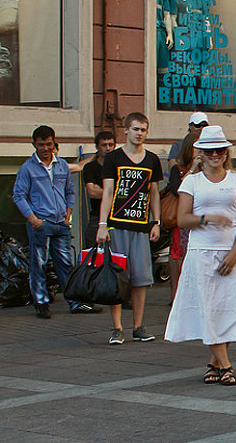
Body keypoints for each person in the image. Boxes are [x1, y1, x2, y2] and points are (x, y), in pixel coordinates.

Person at [165, 126, 236, 386]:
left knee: (226, 310)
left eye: (220, 150)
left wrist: (235, 252)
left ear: (226, 152)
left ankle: (213, 364)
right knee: (207, 310)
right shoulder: (192, 182)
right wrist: (207, 218)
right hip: (201, 254)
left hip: (229, 253)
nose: (215, 154)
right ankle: (225, 365)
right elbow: (182, 218)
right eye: (210, 150)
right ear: (201, 153)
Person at [97, 112, 164, 345]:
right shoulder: (113, 158)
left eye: (144, 129)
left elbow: (154, 192)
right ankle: (117, 328)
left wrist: (157, 221)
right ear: (126, 130)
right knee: (118, 278)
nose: (139, 133)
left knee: (141, 278)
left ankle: (138, 326)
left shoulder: (152, 159)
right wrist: (102, 225)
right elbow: (107, 192)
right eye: (136, 129)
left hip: (141, 227)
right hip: (117, 225)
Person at [13, 126, 93, 319]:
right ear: (34, 145)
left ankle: (75, 302)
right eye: (41, 144)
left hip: (61, 223)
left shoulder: (62, 165)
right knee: (39, 263)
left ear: (54, 143)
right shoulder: (27, 168)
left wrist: (68, 214)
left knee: (65, 263)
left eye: (49, 144)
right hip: (41, 222)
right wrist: (33, 220)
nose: (46, 148)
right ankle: (41, 302)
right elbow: (19, 195)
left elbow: (70, 191)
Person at [165, 130, 199, 303]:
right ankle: (176, 296)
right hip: (182, 220)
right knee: (178, 255)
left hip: (200, 222)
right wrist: (192, 169)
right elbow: (178, 189)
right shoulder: (178, 169)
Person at [82, 131, 116, 249]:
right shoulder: (90, 167)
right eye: (104, 145)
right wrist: (112, 192)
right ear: (97, 147)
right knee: (92, 250)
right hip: (96, 216)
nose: (108, 148)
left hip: (117, 215)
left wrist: (102, 190)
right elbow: (92, 192)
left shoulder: (119, 167)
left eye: (110, 145)